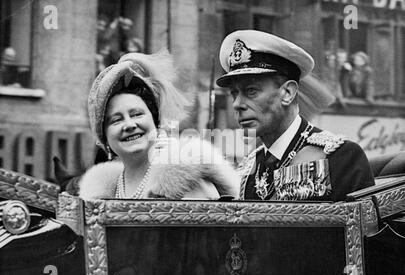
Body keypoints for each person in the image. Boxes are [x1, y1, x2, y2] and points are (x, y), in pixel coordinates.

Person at [216, 30, 375, 202]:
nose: (237, 104)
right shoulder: (247, 170)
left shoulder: (340, 158)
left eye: (251, 91)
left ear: (287, 93)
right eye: (234, 94)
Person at [79, 50, 240, 200]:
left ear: (154, 122)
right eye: (116, 120)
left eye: (137, 114)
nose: (129, 125)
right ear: (104, 138)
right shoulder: (100, 195)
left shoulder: (188, 184)